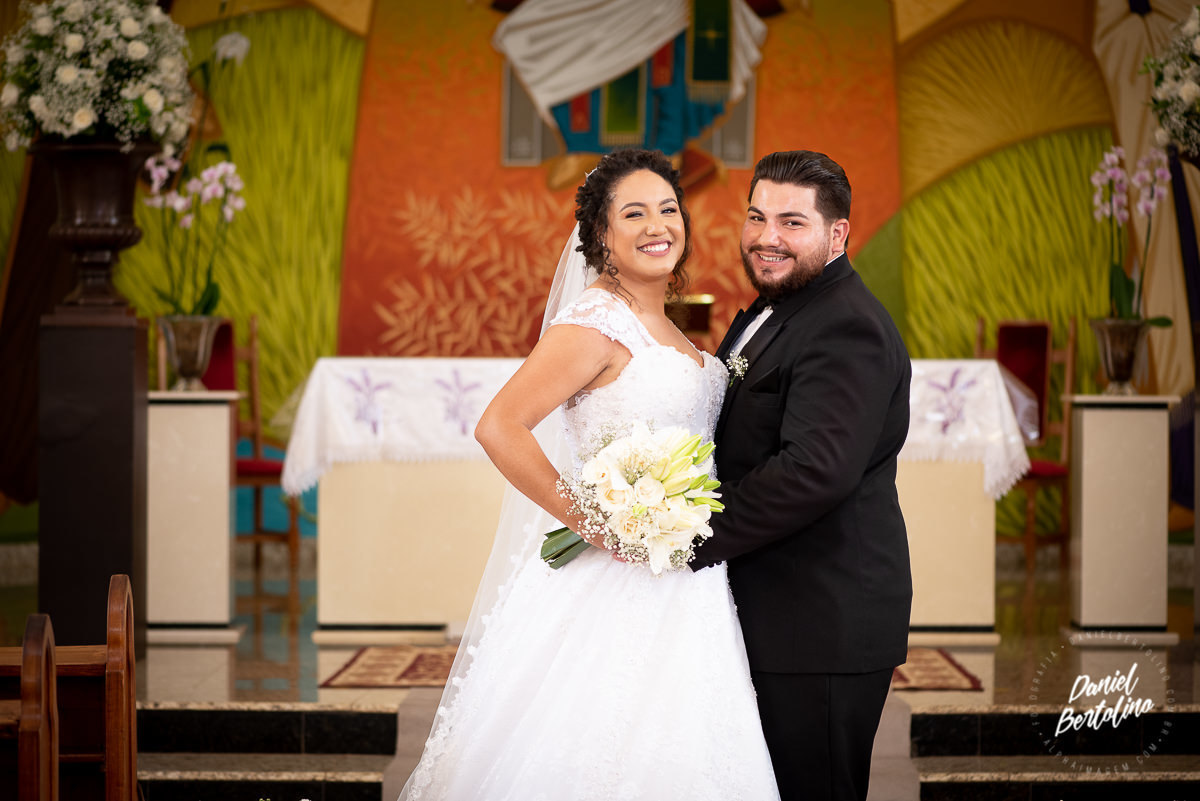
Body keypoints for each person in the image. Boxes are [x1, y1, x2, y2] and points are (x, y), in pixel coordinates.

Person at [397, 148, 780, 801]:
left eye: (668, 209)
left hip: (689, 585)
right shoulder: (595, 322)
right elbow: (499, 425)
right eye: (634, 213)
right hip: (614, 581)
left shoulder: (664, 323)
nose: (658, 224)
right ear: (601, 235)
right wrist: (591, 518)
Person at [690, 150, 913, 801]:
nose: (766, 237)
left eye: (792, 222)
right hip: (780, 612)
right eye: (757, 217)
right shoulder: (778, 308)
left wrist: (686, 536)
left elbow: (813, 471)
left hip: (821, 623)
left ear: (837, 233)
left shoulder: (845, 324)